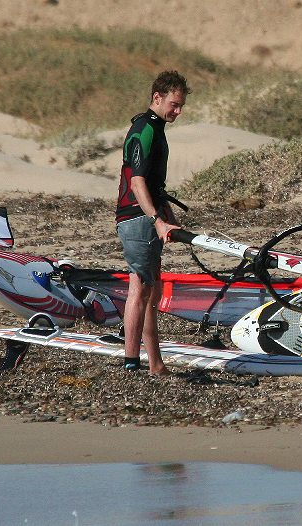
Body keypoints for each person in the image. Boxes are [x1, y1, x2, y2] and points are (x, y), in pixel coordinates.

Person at [115, 70, 191, 374]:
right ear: (156, 98)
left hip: (145, 215)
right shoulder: (144, 128)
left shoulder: (156, 128)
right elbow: (137, 183)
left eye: (181, 105)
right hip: (137, 218)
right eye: (173, 104)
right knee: (141, 289)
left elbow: (153, 184)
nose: (178, 111)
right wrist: (157, 219)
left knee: (151, 289)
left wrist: (166, 214)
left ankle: (155, 363)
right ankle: (132, 362)